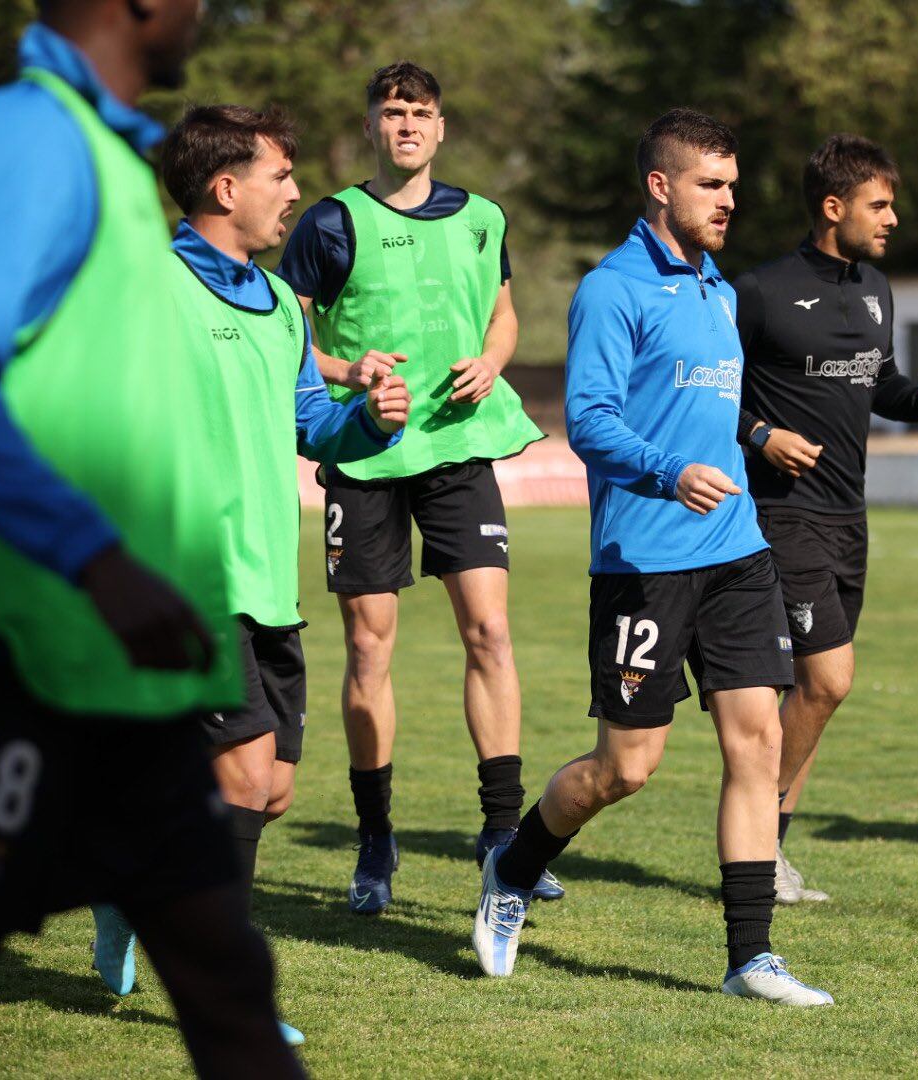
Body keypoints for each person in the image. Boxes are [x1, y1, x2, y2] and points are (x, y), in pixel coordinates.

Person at [0, 5, 305, 1078]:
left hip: (124, 686)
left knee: (230, 986)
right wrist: (95, 558)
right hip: (12, 671)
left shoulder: (110, 163)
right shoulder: (30, 134)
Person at [471, 108, 833, 1005]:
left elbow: (718, 405)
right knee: (625, 769)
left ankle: (750, 958)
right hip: (644, 561)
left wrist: (756, 439)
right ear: (660, 186)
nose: (729, 203)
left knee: (755, 746)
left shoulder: (719, 290)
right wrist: (672, 473)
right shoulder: (613, 289)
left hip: (738, 552)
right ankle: (513, 870)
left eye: (734, 187)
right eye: (711, 186)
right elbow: (589, 422)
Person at [86, 104, 412, 1045]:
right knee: (239, 779)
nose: (297, 193)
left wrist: (374, 423)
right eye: (282, 176)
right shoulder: (141, 286)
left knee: (269, 791)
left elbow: (312, 422)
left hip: (271, 583)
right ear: (225, 188)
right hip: (186, 578)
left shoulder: (277, 306)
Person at [276, 61, 555, 915]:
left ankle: (504, 836)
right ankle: (375, 839)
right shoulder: (329, 223)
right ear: (371, 125)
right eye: (392, 112)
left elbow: (503, 312)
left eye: (421, 113)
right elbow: (282, 333)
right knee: (368, 649)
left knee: (491, 633)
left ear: (441, 129)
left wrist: (494, 360)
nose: (407, 125)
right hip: (364, 454)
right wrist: (347, 371)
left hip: (461, 451)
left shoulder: (483, 218)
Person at [732, 135, 918, 903]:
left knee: (814, 692)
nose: (893, 218)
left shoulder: (877, 290)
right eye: (880, 204)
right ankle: (754, 847)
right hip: (779, 514)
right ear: (834, 208)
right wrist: (760, 434)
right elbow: (703, 391)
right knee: (829, 680)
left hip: (848, 517)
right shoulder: (759, 291)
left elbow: (879, 382)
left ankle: (769, 850)